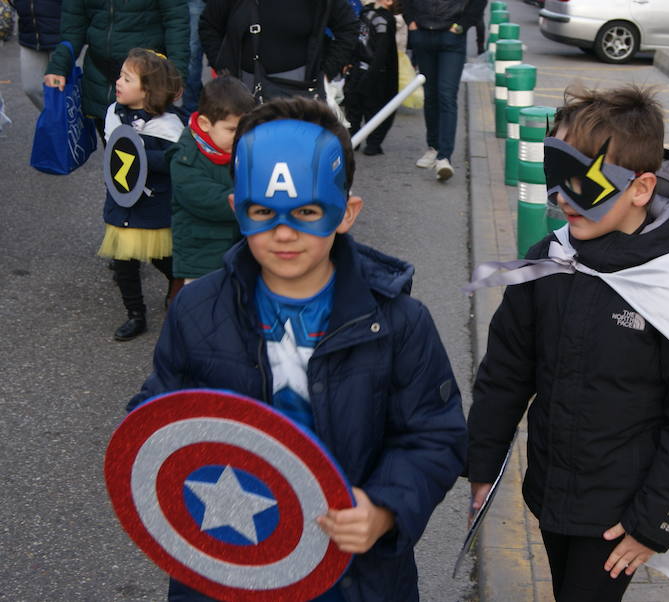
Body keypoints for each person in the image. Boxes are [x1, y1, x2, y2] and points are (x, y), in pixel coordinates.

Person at [127, 96, 467, 601]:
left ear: (346, 212)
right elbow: (161, 413)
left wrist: (384, 508)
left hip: (350, 574)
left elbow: (434, 435)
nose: (283, 233)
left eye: (308, 212)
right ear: (236, 210)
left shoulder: (398, 322)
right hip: (225, 561)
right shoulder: (197, 309)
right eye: (263, 212)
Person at [466, 85, 669, 599]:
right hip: (550, 490)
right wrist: (483, 461)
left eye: (582, 185)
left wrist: (654, 522)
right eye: (556, 180)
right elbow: (507, 369)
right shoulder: (550, 258)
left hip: (618, 514)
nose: (562, 199)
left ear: (640, 188)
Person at [98, 49, 185, 341]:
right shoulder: (114, 113)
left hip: (152, 204)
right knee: (124, 262)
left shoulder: (168, 124)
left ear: (148, 89)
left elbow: (174, 162)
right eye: (120, 76)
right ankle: (135, 314)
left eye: (127, 78)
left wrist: (139, 156)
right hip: (122, 200)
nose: (118, 82)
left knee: (161, 256)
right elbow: (112, 153)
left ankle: (177, 279)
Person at [41, 0, 188, 139]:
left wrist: (176, 76)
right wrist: (58, 66)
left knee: (155, 152)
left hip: (145, 82)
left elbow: (177, 24)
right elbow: (73, 27)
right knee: (113, 149)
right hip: (99, 78)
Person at [168, 75, 255, 298]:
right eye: (232, 130)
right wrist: (254, 202)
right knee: (204, 311)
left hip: (242, 250)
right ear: (206, 124)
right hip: (201, 256)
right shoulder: (185, 158)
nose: (241, 137)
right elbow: (206, 199)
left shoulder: (245, 150)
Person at [198, 0, 358, 102]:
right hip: (243, 91)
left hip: (300, 92)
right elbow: (209, 25)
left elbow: (348, 26)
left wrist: (327, 72)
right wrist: (223, 68)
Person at [404, 0, 487, 181]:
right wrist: (410, 21)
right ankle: (433, 148)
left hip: (452, 36)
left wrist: (462, 25)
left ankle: (444, 157)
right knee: (431, 95)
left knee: (446, 95)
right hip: (423, 33)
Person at [344, 0, 398, 156]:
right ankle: (360, 140)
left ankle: (368, 141)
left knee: (367, 106)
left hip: (373, 70)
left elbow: (383, 50)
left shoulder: (381, 18)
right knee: (358, 106)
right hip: (365, 67)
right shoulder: (367, 13)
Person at [11, 0, 61, 111]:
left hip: (62, 39)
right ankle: (53, 121)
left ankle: (62, 124)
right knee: (32, 88)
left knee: (61, 89)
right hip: (30, 36)